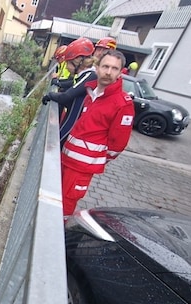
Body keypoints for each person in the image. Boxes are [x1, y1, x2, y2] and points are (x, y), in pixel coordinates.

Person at [61, 49, 135, 216]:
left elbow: (117, 145)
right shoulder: (91, 93)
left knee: (66, 205)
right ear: (97, 67)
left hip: (81, 168)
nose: (108, 72)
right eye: (105, 66)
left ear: (120, 72)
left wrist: (94, 158)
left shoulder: (122, 104)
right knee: (57, 199)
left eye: (114, 68)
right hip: (67, 159)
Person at [42, 37, 97, 147]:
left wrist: (50, 95)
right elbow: (72, 85)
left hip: (73, 124)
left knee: (57, 144)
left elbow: (67, 96)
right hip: (73, 122)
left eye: (68, 63)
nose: (66, 67)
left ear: (78, 63)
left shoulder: (91, 75)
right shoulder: (86, 76)